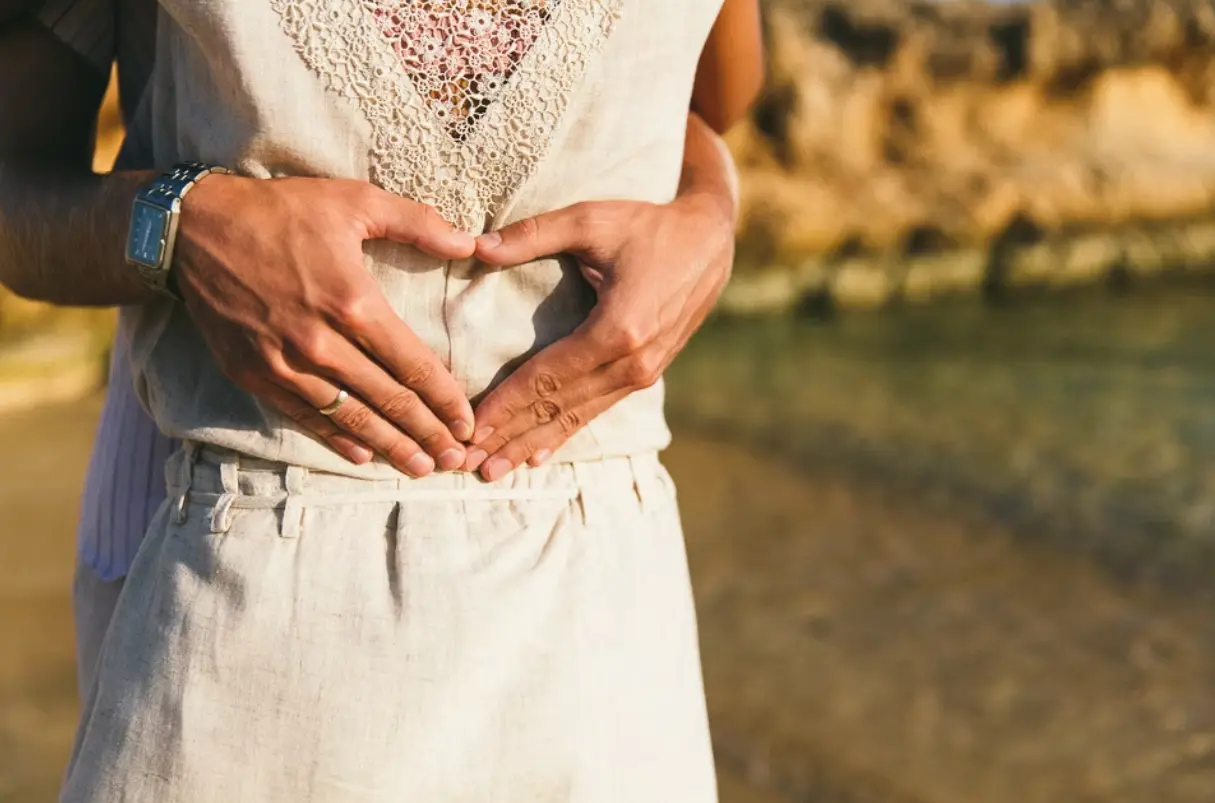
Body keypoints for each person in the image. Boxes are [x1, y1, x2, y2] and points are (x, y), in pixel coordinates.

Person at [0, 0, 763, 799]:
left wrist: (712, 212)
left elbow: (708, 94)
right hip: (248, 602)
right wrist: (178, 227)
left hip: (606, 622)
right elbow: (18, 186)